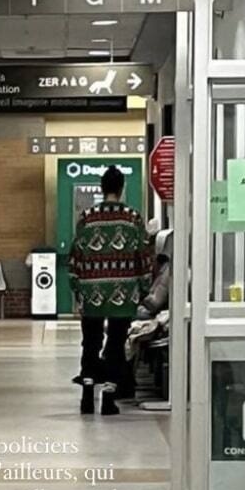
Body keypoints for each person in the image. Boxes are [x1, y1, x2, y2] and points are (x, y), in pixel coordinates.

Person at [68, 164, 152, 416]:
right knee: (115, 345)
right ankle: (108, 399)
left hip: (92, 292)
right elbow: (143, 257)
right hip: (123, 293)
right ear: (121, 188)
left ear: (102, 188)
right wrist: (143, 288)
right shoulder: (132, 218)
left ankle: (86, 396)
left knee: (90, 343)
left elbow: (75, 256)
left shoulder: (87, 217)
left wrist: (77, 290)